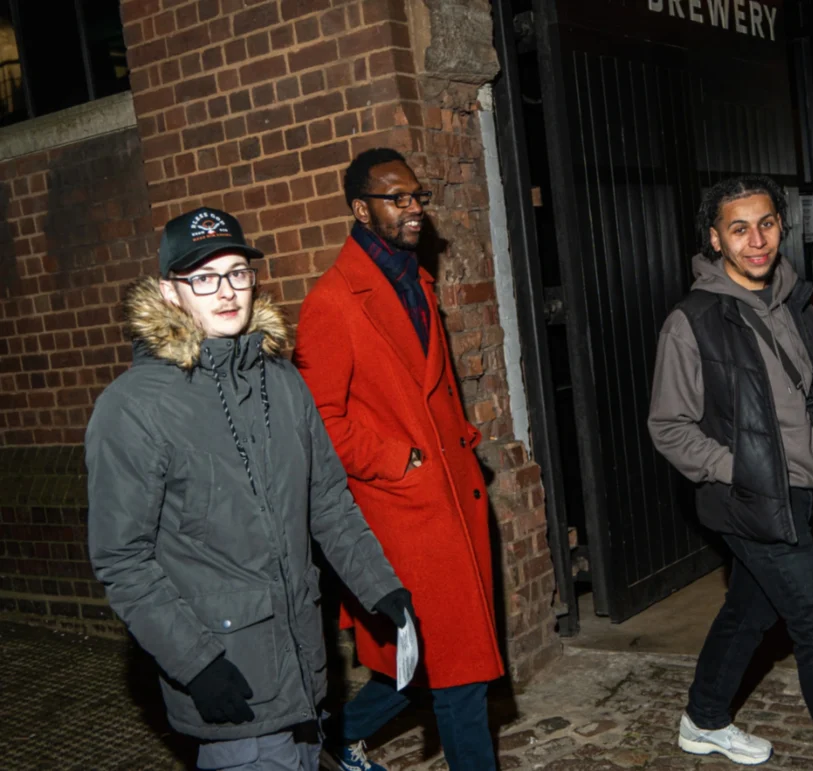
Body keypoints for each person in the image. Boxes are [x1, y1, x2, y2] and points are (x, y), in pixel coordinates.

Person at [86, 207, 415, 771]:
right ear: (169, 292)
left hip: (304, 669)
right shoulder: (133, 407)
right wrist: (196, 663)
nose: (225, 291)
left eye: (237, 272)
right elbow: (122, 560)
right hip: (229, 676)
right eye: (204, 278)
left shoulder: (283, 382)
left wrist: (379, 585)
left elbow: (327, 501)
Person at [648, 176, 813, 771]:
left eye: (766, 224)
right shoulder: (692, 321)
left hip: (798, 493)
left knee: (751, 609)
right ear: (715, 239)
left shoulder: (792, 298)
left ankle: (703, 719)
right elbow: (670, 427)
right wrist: (744, 470)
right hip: (750, 498)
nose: (756, 241)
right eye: (739, 229)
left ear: (782, 226)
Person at [294, 148, 504, 771]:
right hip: (403, 511)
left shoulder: (415, 279)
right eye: (397, 198)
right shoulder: (333, 302)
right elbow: (320, 424)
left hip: (452, 496)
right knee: (461, 672)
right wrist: (403, 460)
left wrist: (458, 438)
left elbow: (426, 388)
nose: (414, 209)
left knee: (426, 658)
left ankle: (335, 738)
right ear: (361, 210)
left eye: (417, 196)